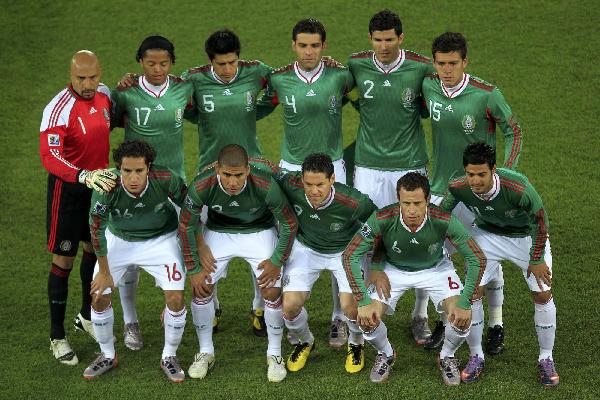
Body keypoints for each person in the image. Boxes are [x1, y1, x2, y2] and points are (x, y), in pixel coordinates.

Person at [421, 32, 523, 352]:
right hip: (440, 189)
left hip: (479, 193)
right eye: (441, 64)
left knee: (485, 259)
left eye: (453, 63)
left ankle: (496, 323)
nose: (447, 70)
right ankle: (446, 317)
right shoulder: (428, 84)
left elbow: (514, 132)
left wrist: (504, 175)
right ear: (434, 63)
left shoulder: (486, 94)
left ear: (465, 61)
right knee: (438, 259)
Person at [258, 17, 355, 347]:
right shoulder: (280, 79)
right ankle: (279, 308)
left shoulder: (341, 76)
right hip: (291, 169)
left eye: (315, 45)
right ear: (293, 45)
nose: (309, 51)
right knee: (286, 231)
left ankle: (338, 318)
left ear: (324, 46)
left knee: (338, 236)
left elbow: (363, 95)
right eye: (303, 45)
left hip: (333, 169)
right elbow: (254, 102)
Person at [342, 172, 486, 385]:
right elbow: (350, 254)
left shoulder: (444, 220)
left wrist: (465, 302)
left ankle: (447, 356)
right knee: (366, 318)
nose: (411, 210)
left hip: (436, 269)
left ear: (428, 200)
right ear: (398, 200)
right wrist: (363, 300)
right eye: (405, 203)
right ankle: (387, 354)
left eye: (417, 203)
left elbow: (477, 258)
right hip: (394, 270)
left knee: (461, 317)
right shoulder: (383, 217)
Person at [346, 9, 435, 345]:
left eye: (389, 39)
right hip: (368, 168)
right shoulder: (356, 65)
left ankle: (420, 315)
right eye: (377, 39)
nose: (383, 46)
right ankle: (365, 308)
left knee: (421, 235)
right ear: (370, 39)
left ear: (401, 38)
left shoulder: (420, 67)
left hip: (409, 166)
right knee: (366, 237)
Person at [441, 142, 558, 386]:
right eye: (470, 174)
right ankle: (476, 356)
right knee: (473, 293)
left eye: (481, 174)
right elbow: (440, 214)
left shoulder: (518, 188)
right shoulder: (459, 187)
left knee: (542, 294)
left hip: (525, 237)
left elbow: (540, 221)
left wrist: (536, 258)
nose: (475, 181)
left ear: (493, 169)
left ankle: (546, 358)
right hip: (487, 235)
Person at [178, 144, 297, 382]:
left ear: (248, 170)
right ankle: (205, 352)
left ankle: (274, 355)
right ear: (217, 170)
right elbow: (186, 225)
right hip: (219, 231)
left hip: (258, 231)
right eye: (227, 175)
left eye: (239, 175)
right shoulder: (202, 184)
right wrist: (193, 267)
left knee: (272, 289)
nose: (233, 182)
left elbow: (289, 223)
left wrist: (276, 260)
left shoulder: (265, 183)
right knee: (201, 286)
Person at [111, 35, 194, 351]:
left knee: (180, 246)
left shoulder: (184, 88)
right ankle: (130, 321)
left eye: (163, 63)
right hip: (137, 184)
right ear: (140, 62)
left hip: (174, 184)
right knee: (129, 252)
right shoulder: (127, 93)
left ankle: (174, 302)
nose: (157, 69)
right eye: (150, 63)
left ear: (172, 63)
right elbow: (112, 121)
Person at [84, 140, 188, 382]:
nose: (133, 178)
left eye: (139, 171)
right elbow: (96, 229)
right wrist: (104, 272)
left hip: (161, 239)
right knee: (99, 295)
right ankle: (107, 354)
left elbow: (191, 207)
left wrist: (195, 246)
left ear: (149, 168)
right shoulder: (106, 186)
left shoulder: (165, 178)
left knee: (175, 298)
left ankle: (169, 356)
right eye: (126, 171)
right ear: (118, 169)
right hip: (120, 239)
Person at [40, 50, 117, 365]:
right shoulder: (58, 109)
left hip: (97, 190)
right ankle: (57, 336)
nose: (88, 84)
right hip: (68, 192)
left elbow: (105, 128)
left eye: (93, 77)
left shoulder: (104, 95)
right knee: (64, 259)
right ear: (70, 76)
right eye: (81, 78)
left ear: (100, 73)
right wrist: (83, 175)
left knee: (93, 249)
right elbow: (50, 156)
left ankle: (86, 316)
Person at [271, 154, 376, 373]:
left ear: (332, 179)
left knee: (351, 308)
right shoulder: (292, 185)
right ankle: (305, 341)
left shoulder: (354, 201)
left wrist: (373, 261)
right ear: (301, 180)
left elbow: (378, 222)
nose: (314, 190)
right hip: (306, 248)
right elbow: (268, 168)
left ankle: (356, 344)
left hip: (344, 251)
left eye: (320, 184)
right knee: (289, 307)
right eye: (308, 184)